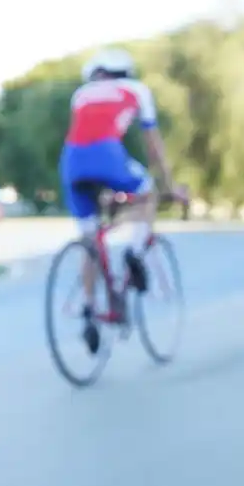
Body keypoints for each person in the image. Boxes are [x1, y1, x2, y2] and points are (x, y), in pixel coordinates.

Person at [58, 47, 185, 348]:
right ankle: (135, 249)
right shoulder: (137, 90)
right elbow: (152, 143)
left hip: (71, 162)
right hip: (108, 155)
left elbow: (84, 136)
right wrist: (170, 185)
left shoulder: (81, 94)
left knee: (89, 240)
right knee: (148, 191)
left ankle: (90, 308)